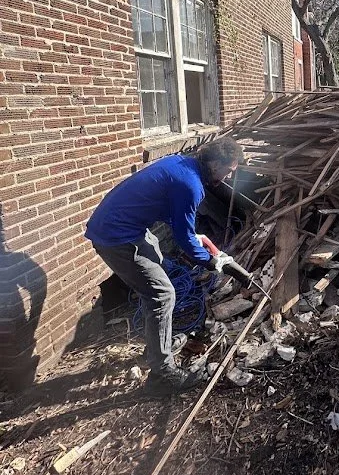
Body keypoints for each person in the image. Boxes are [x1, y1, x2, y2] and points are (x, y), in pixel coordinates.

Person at [85, 138, 244, 395]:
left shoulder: (184, 165)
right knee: (161, 294)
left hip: (129, 228)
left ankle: (156, 344)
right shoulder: (191, 184)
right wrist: (212, 261)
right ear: (215, 164)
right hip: (116, 237)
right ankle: (162, 375)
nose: (228, 176)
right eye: (228, 170)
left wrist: (196, 235)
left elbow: (173, 214)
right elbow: (183, 241)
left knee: (157, 263)